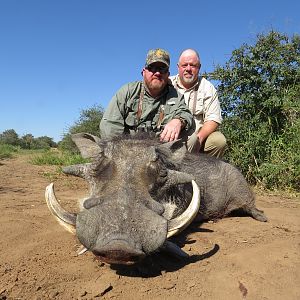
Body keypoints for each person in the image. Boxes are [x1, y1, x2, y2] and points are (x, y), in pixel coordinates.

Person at [100, 49, 194, 142]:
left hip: (161, 151)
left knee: (192, 138)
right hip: (128, 149)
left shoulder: (176, 96)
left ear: (168, 74)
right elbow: (110, 125)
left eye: (162, 69)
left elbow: (185, 113)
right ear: (143, 72)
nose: (157, 73)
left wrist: (178, 121)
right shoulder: (127, 91)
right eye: (152, 68)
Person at [170, 49, 227, 158]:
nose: (188, 69)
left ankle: (206, 173)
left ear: (199, 67)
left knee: (219, 141)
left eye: (193, 65)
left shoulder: (207, 87)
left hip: (196, 138)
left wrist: (198, 139)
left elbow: (213, 118)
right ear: (178, 67)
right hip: (171, 138)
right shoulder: (168, 83)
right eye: (184, 65)